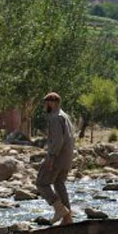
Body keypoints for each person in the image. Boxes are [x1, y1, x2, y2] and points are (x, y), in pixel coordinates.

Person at [36, 92, 75, 225]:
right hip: (67, 157)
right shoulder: (66, 116)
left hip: (57, 157)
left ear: (52, 103)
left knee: (41, 183)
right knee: (59, 184)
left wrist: (51, 157)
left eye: (46, 103)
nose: (45, 105)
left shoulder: (55, 117)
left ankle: (59, 209)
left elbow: (58, 140)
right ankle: (67, 219)